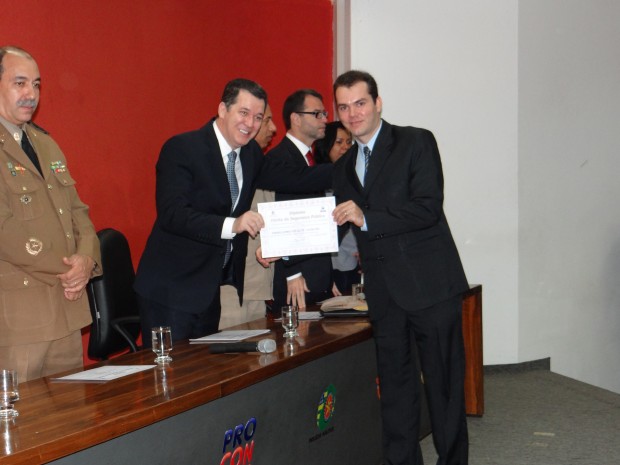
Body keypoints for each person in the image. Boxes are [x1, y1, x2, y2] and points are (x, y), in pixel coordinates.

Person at [331, 70, 469, 465]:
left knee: (444, 388)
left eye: (360, 103)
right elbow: (339, 226)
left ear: (378, 103)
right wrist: (287, 250)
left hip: (430, 288)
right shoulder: (342, 167)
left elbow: (427, 207)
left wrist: (367, 217)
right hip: (384, 295)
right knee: (394, 390)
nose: (353, 113)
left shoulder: (415, 141)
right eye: (344, 107)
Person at [134, 79, 331, 345]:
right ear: (222, 109)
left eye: (258, 117)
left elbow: (293, 179)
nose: (251, 123)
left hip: (210, 291)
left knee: (206, 368)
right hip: (171, 289)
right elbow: (173, 214)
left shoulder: (250, 154)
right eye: (244, 113)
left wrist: (349, 170)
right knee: (171, 370)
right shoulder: (183, 148)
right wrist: (233, 224)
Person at [0, 46, 101, 382]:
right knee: (20, 413)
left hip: (66, 310)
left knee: (72, 411)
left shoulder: (45, 144)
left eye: (37, 84)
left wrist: (87, 259)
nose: (31, 94)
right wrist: (68, 269)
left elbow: (77, 210)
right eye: (20, 83)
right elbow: (5, 231)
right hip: (21, 320)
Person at [266, 89, 333, 312]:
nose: (325, 119)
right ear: (295, 118)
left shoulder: (310, 159)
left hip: (316, 271)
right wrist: (291, 272)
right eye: (317, 114)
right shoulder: (278, 160)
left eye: (324, 114)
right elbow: (277, 219)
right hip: (296, 279)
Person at [219, 104, 277, 328]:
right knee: (232, 349)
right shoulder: (229, 166)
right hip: (231, 288)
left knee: (260, 348)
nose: (273, 128)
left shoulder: (260, 164)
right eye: (266, 120)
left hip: (258, 286)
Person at [314, 121, 359, 295]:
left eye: (348, 142)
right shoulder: (315, 179)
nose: (345, 147)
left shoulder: (355, 177)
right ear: (326, 146)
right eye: (339, 142)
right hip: (329, 267)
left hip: (354, 263)